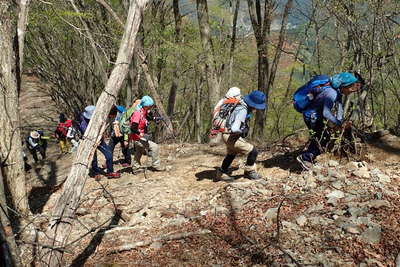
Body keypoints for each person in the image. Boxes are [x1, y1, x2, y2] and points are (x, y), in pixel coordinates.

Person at [296, 72, 362, 170]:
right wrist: (340, 123)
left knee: (320, 137)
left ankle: (307, 157)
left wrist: (340, 120)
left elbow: (339, 106)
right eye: (350, 88)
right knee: (322, 138)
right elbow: (326, 113)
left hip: (315, 114)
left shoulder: (337, 91)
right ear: (343, 86)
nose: (351, 91)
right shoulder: (331, 93)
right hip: (311, 116)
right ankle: (305, 158)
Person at [215, 90, 266, 181]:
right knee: (253, 151)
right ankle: (249, 172)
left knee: (231, 154)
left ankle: (221, 173)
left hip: (225, 134)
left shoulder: (239, 104)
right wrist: (241, 130)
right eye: (255, 107)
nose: (255, 109)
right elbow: (235, 128)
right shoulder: (243, 110)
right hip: (231, 136)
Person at [78, 105, 121, 179]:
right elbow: (85, 134)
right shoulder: (83, 123)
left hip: (100, 140)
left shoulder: (100, 117)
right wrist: (93, 139)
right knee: (93, 158)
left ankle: (110, 172)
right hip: (90, 141)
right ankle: (96, 172)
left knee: (109, 154)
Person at [130, 96, 165, 173]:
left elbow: (147, 118)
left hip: (139, 137)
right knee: (155, 147)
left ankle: (136, 168)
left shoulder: (143, 111)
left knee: (139, 151)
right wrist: (141, 134)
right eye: (150, 106)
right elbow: (133, 128)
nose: (151, 107)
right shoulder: (137, 113)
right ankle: (156, 165)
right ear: (145, 105)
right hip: (137, 137)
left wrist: (155, 119)